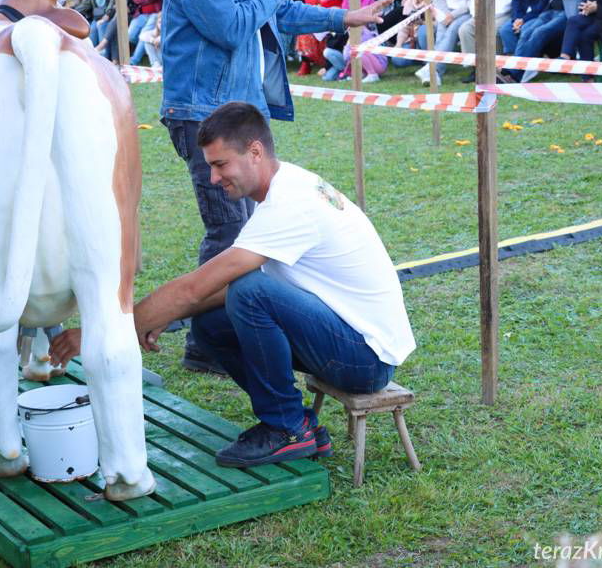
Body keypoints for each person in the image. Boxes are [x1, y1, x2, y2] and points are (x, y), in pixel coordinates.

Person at [51, 102, 416, 468]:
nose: (213, 178)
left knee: (247, 291)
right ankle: (296, 421)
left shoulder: (290, 204)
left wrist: (103, 332)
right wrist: (164, 316)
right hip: (346, 336)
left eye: (220, 164)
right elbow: (214, 292)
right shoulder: (282, 187)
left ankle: (287, 429)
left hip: (366, 358)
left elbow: (199, 287)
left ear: (254, 152)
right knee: (210, 324)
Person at [160, 0, 393, 373]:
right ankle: (206, 342)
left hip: (238, 109)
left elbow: (277, 11)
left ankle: (223, 330)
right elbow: (232, 27)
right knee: (230, 231)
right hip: (204, 112)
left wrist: (345, 17)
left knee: (246, 229)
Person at [414, 0, 472, 85]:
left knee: (451, 31)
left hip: (466, 13)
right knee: (440, 36)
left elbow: (472, 2)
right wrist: (446, 14)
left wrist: (452, 16)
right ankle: (435, 74)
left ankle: (430, 68)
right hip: (446, 11)